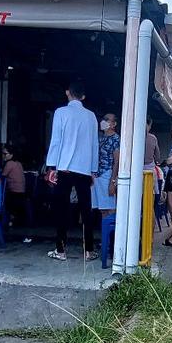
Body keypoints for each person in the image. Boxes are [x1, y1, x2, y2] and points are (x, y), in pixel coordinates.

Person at [45, 80, 99, 261]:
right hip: (84, 169)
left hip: (65, 168)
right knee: (86, 210)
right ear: (83, 96)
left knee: (61, 209)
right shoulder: (91, 116)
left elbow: (56, 141)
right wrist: (93, 170)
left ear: (67, 93)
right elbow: (94, 144)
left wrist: (51, 166)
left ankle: (60, 250)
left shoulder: (61, 112)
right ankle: (89, 251)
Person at [92, 113, 120, 216]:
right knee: (102, 209)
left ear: (114, 124)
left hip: (107, 174)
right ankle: (105, 231)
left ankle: (110, 231)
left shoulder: (116, 139)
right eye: (103, 119)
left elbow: (117, 161)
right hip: (97, 176)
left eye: (107, 119)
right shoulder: (100, 138)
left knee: (110, 208)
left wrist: (112, 181)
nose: (103, 121)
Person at [2, 143, 27, 229]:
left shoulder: (9, 164)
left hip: (14, 193)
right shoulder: (18, 163)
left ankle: (9, 221)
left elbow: (2, 176)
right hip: (21, 192)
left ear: (11, 154)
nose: (3, 156)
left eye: (5, 154)